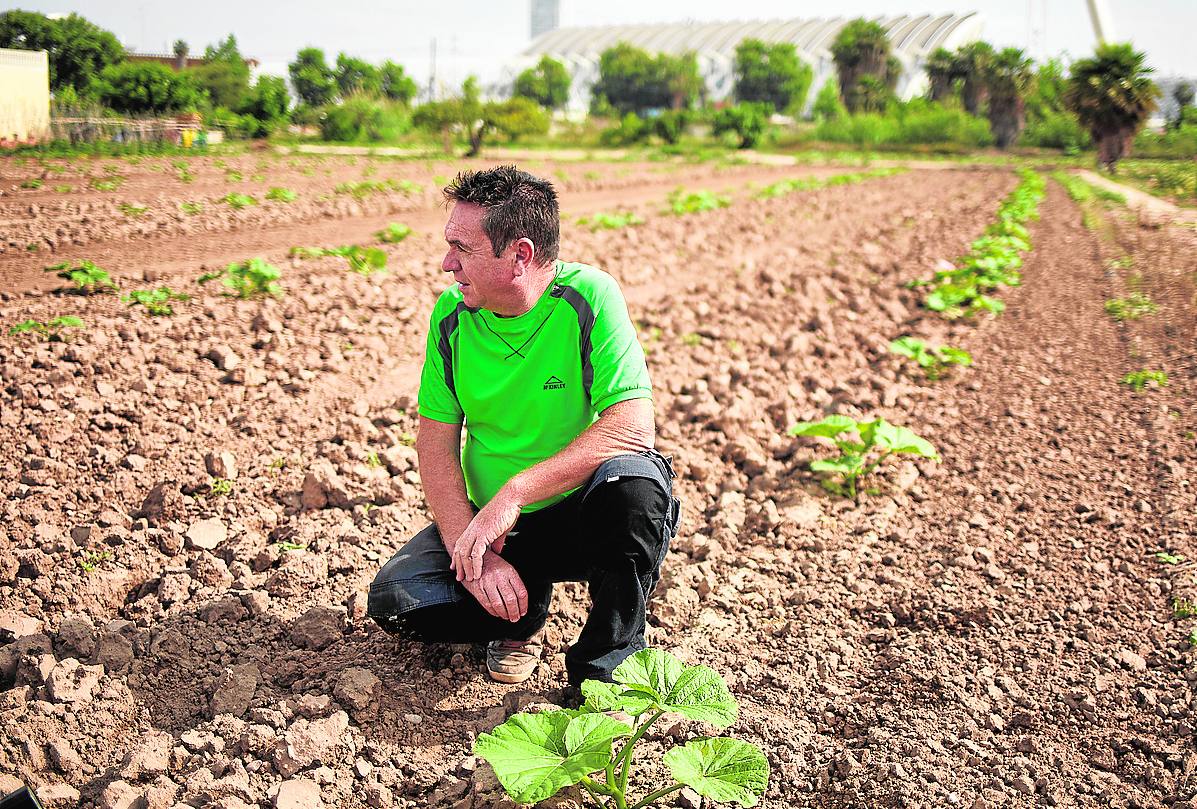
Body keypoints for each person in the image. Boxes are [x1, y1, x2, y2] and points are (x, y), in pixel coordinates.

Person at [367, 165, 680, 689]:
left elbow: (631, 427)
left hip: (580, 516)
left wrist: (516, 492)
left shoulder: (589, 298)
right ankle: (521, 610)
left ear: (520, 255)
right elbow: (435, 446)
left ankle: (605, 669)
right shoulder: (451, 317)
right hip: (498, 532)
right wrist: (472, 547)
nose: (447, 264)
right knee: (399, 600)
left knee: (637, 488)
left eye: (462, 249)